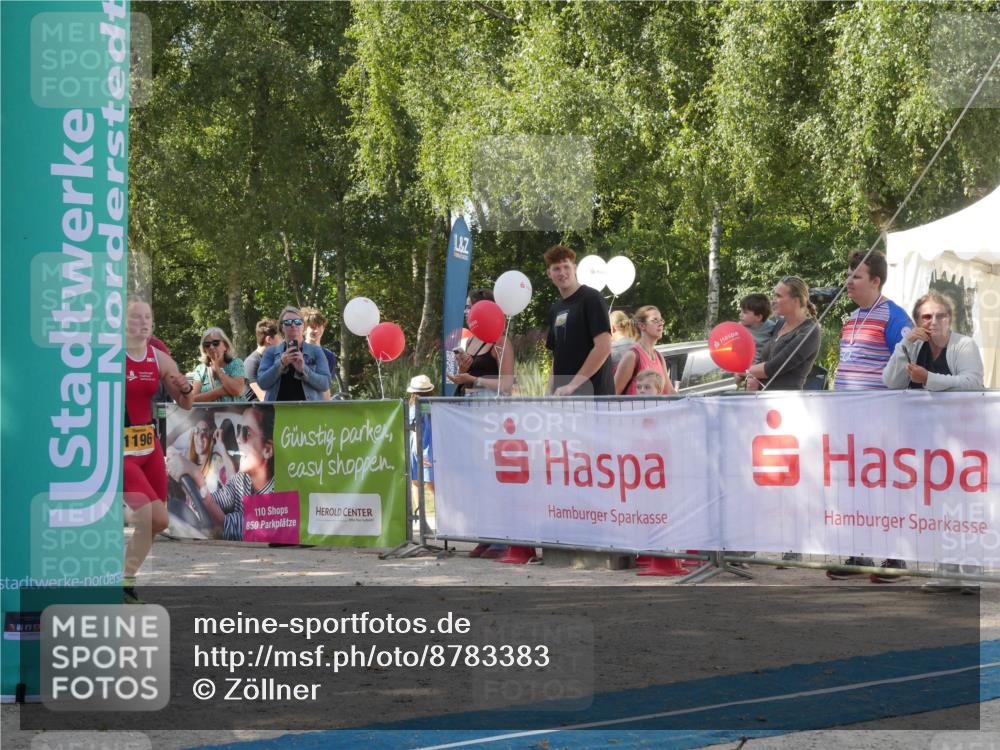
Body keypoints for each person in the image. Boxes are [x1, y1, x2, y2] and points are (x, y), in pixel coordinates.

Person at [831, 250, 913, 581]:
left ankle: (897, 556)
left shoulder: (894, 317)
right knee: (854, 487)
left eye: (857, 276)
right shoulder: (851, 319)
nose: (848, 281)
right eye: (848, 274)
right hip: (849, 423)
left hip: (881, 422)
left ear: (876, 280)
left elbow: (905, 365)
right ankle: (858, 553)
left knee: (886, 487)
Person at [123, 299, 194, 603]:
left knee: (161, 522)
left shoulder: (159, 357)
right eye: (136, 317)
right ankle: (117, 581)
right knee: (148, 515)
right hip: (119, 451)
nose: (143, 322)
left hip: (149, 448)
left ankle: (125, 580)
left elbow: (186, 402)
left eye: (148, 317)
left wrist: (187, 387)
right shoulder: (109, 355)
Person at [544, 245, 614, 396]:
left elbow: (603, 347)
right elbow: (557, 355)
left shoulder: (591, 298)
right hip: (565, 399)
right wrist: (549, 388)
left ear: (575, 268)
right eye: (556, 269)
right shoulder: (555, 309)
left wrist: (572, 385)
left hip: (594, 398)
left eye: (566, 267)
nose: (562, 273)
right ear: (549, 273)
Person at [199, 405, 276, 541]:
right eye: (239, 429)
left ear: (268, 450)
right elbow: (219, 499)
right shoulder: (242, 479)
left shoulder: (277, 494)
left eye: (247, 433)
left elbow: (225, 526)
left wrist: (195, 477)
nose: (239, 439)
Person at [883, 292, 984, 391]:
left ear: (949, 320)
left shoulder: (964, 344)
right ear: (917, 322)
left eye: (941, 316)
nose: (934, 322)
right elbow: (891, 383)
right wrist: (905, 342)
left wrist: (927, 378)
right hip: (917, 408)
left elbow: (973, 383)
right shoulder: (912, 345)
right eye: (927, 317)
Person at [744, 277, 821, 391]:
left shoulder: (809, 332)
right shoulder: (779, 324)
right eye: (774, 295)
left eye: (778, 296)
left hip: (785, 403)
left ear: (796, 301)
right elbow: (762, 358)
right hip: (763, 402)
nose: (773, 300)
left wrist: (743, 371)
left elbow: (773, 368)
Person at [447, 288, 515, 396]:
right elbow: (466, 378)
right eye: (466, 308)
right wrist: (462, 369)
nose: (465, 311)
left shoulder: (500, 342)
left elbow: (506, 384)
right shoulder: (470, 340)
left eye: (470, 307)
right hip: (467, 405)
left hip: (489, 408)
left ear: (483, 309)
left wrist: (474, 379)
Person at [257, 305, 332, 402]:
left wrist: (303, 370)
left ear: (303, 326)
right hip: (277, 412)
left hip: (307, 411)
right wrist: (281, 364)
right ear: (281, 327)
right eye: (288, 322)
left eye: (297, 322)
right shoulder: (271, 352)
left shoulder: (316, 351)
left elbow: (325, 384)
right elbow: (262, 383)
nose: (293, 325)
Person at [614, 306, 677, 395]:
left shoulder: (659, 357)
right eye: (655, 320)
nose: (660, 324)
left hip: (655, 409)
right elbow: (613, 394)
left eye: (661, 320)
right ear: (642, 325)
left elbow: (669, 391)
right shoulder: (632, 356)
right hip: (635, 409)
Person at [191, 327, 246, 403]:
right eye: (207, 345)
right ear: (204, 349)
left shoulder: (236, 363)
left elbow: (237, 390)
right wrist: (219, 392)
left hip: (235, 413)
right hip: (209, 414)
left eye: (215, 343)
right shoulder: (200, 369)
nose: (211, 347)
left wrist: (218, 370)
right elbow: (193, 399)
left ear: (225, 346)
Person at [302, 306, 344, 398]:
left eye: (319, 327)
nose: (316, 330)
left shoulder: (329, 356)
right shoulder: (296, 352)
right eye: (312, 327)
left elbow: (326, 389)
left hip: (317, 406)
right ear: (304, 329)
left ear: (324, 328)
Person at [407, 375, 435, 506]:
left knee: (417, 482)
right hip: (428, 445)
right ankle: (445, 514)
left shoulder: (413, 407)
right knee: (430, 482)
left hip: (418, 446)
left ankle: (420, 517)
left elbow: (413, 429)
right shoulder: (434, 406)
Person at [244, 319, 281, 401]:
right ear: (269, 340)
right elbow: (263, 397)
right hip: (254, 411)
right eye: (280, 337)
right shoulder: (251, 363)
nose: (283, 341)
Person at [739, 293, 777, 366]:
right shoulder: (739, 329)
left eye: (745, 312)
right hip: (744, 364)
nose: (740, 314)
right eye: (741, 311)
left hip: (762, 367)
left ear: (758, 317)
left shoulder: (773, 328)